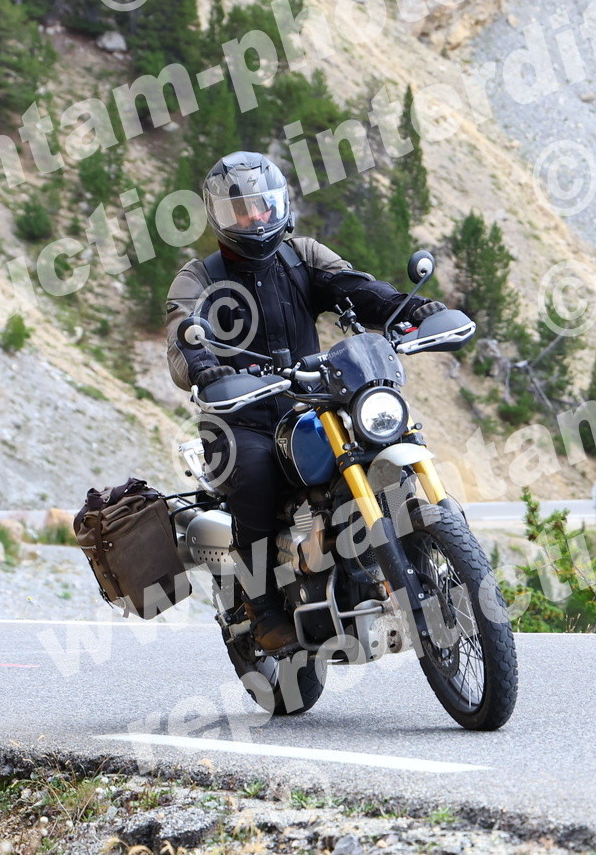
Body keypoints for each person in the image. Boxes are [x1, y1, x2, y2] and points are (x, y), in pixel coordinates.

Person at [165, 152, 445, 653]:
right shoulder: (199, 278)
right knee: (254, 476)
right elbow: (183, 335)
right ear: (220, 216)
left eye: (264, 206)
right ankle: (262, 604)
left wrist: (409, 308)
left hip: (310, 407)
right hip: (240, 418)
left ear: (281, 205)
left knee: (377, 442)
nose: (256, 218)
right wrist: (204, 368)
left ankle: (405, 559)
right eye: (242, 210)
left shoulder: (303, 256)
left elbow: (355, 288)